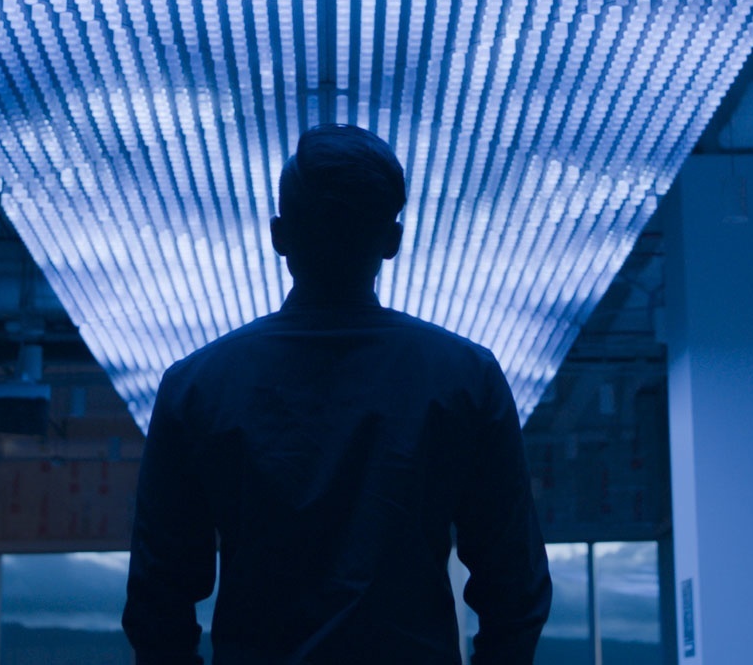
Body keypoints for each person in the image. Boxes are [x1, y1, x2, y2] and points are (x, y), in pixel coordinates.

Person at [123, 124, 552, 664]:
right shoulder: (465, 378)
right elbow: (514, 586)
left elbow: (157, 599)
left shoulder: (197, 387)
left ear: (280, 235)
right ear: (391, 241)